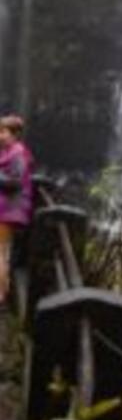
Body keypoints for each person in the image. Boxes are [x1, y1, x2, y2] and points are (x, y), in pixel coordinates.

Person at [0, 115, 32, 308]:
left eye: (3, 131)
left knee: (1, 253)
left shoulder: (18, 154)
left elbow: (15, 182)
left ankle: (1, 298)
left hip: (8, 211)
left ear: (14, 134)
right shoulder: (9, 152)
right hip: (5, 209)